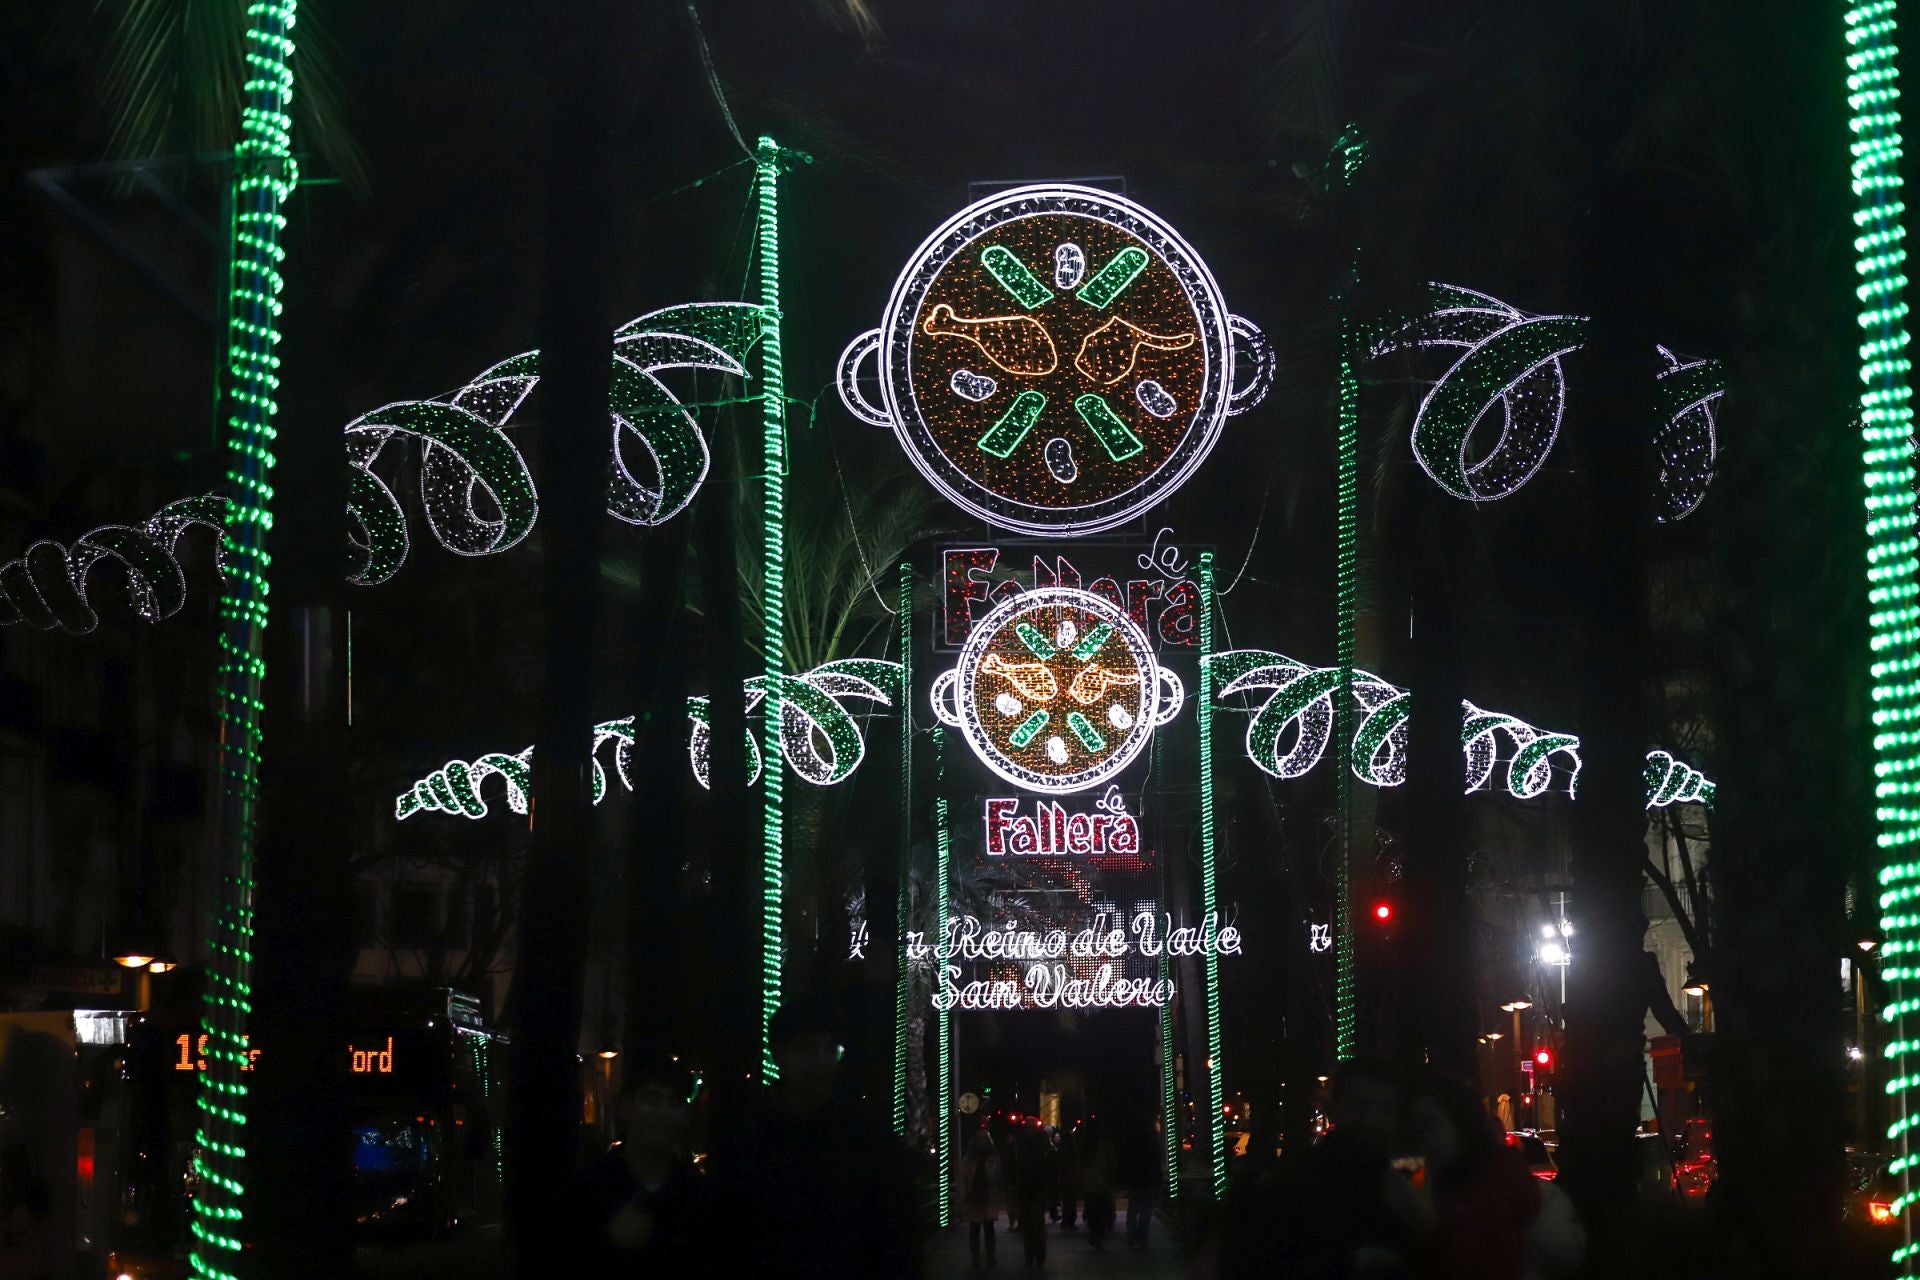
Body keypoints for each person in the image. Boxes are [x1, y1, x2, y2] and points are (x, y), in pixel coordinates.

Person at [713, 996, 923, 1279]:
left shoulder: (868, 1137)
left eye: (830, 1050)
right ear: (779, 1054)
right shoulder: (746, 1137)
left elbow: (897, 1234)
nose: (821, 1061)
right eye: (807, 1049)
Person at [1218, 1056, 1427, 1279]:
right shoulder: (1293, 1181)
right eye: (1359, 1106)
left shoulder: (1408, 1174)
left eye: (1385, 1110)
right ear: (1332, 1109)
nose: (1371, 1118)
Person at [1406, 1079, 1540, 1280]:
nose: (1421, 1137)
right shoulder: (1420, 1179)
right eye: (1414, 1128)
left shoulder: (1499, 1176)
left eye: (1430, 1125)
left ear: (1462, 1126)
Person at [575, 1069, 708, 1272]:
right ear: (626, 1108)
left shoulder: (698, 1193)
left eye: (674, 1103)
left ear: (685, 1117)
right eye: (652, 1099)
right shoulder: (589, 1187)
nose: (663, 1113)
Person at [958, 1122, 1002, 1269]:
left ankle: (989, 1255)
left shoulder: (991, 1159)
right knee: (976, 1228)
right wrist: (965, 1196)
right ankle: (977, 1256)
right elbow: (963, 1179)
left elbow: (998, 1178)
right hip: (975, 1196)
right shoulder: (972, 1160)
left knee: (987, 1228)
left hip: (986, 1196)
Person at [1012, 1123, 1056, 1269]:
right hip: (1033, 1189)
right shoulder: (1041, 1145)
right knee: (1034, 1225)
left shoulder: (1022, 1144)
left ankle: (1033, 1255)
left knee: (1032, 1225)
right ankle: (1035, 1255)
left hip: (1032, 1189)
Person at [1077, 1117, 1119, 1251]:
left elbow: (1080, 1165)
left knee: (1092, 1211)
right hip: (1102, 1184)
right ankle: (1098, 1236)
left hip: (1089, 1184)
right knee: (1101, 1211)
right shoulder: (1105, 1145)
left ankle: (1093, 1234)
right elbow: (1113, 1162)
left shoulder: (1085, 1145)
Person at [1121, 1117, 1161, 1250]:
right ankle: (1141, 1237)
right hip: (1147, 1180)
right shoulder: (1151, 1143)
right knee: (1145, 1211)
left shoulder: (1131, 1142)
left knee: (1133, 1210)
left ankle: (1132, 1234)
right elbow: (1156, 1162)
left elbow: (1126, 1162)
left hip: (1135, 1181)